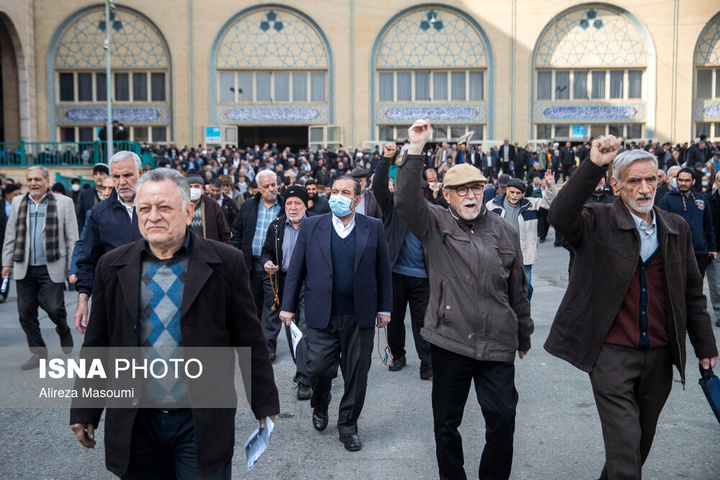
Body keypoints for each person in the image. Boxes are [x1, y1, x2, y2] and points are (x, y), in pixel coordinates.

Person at [69, 168, 279, 479]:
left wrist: (264, 404)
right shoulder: (112, 267)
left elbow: (250, 340)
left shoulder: (225, 263)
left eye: (164, 207)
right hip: (137, 418)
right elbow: (98, 343)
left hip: (200, 418)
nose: (153, 216)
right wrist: (85, 408)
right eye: (145, 208)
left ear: (188, 210)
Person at [544, 137, 718, 480]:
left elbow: (692, 293)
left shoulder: (675, 228)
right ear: (616, 184)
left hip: (659, 354)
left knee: (638, 444)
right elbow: (560, 214)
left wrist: (705, 345)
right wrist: (593, 163)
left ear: (660, 181)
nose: (644, 188)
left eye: (651, 179)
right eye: (634, 180)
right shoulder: (596, 220)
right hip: (610, 354)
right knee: (625, 449)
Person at [395, 119, 532, 480]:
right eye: (461, 190)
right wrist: (415, 149)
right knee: (446, 424)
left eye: (476, 188)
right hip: (451, 339)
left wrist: (525, 332)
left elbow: (517, 286)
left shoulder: (504, 230)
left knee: (502, 420)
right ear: (446, 194)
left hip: (498, 341)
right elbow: (406, 201)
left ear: (486, 190)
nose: (470, 196)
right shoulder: (434, 222)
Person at [279, 175, 392, 453]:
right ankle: (321, 402)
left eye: (345, 192)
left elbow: (383, 271)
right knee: (317, 368)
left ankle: (348, 425)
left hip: (359, 314)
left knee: (357, 373)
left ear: (356, 199)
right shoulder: (312, 225)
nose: (337, 196)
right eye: (334, 191)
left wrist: (385, 308)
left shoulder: (373, 227)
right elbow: (296, 270)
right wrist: (288, 306)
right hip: (321, 313)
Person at [2, 166, 79, 369]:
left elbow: (72, 238)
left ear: (47, 181)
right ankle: (38, 353)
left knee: (54, 308)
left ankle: (63, 329)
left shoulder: (64, 202)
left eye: (37, 179)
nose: (33, 183)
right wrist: (6, 263)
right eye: (30, 179)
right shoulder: (18, 202)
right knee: (26, 314)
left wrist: (73, 268)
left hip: (51, 266)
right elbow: (11, 234)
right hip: (23, 266)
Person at [375, 142, 433, 379]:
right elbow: (378, 185)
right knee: (395, 319)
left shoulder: (432, 211)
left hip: (422, 277)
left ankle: (427, 363)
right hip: (395, 273)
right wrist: (386, 158)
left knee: (423, 322)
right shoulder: (392, 206)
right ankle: (397, 356)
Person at [73, 151, 144, 334]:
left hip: (153, 295)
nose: (121, 182)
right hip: (113, 298)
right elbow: (88, 260)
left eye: (127, 175)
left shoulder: (155, 208)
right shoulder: (99, 213)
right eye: (116, 176)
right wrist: (82, 302)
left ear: (141, 174)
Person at [261, 185, 312, 399]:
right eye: (289, 203)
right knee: (291, 330)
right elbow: (266, 251)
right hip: (284, 282)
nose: (292, 207)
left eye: (297, 203)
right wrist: (267, 262)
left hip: (310, 283)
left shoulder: (317, 224)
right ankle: (302, 368)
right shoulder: (276, 226)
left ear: (305, 205)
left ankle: (304, 379)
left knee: (305, 329)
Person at [231, 170, 284, 358]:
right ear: (259, 189)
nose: (272, 189)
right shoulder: (248, 206)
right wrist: (236, 257)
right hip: (250, 265)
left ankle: (267, 348)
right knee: (252, 306)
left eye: (274, 185)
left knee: (271, 307)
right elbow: (237, 232)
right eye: (267, 186)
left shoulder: (284, 206)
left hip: (273, 266)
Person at [487, 172, 556, 300]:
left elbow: (550, 202)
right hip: (500, 253)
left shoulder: (530, 205)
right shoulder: (492, 205)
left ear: (522, 194)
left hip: (524, 253)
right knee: (501, 285)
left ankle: (524, 309)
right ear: (506, 190)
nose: (514, 196)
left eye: (518, 193)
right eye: (512, 192)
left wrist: (550, 185)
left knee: (527, 283)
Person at [658, 167, 717, 278]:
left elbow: (708, 226)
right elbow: (661, 226)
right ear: (676, 181)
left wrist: (712, 248)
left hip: (699, 251)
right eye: (680, 180)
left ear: (693, 181)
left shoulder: (701, 199)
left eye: (687, 180)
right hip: (677, 252)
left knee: (697, 288)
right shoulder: (667, 200)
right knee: (679, 287)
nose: (683, 183)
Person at [186, 173, 231, 243]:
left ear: (202, 187)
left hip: (208, 249)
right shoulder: (179, 204)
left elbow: (224, 232)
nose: (193, 189)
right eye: (190, 186)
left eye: (196, 186)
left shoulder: (212, 204)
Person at [75, 163, 109, 230]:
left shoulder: (114, 193)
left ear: (107, 175)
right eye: (95, 174)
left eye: (101, 173)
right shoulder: (85, 194)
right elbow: (80, 217)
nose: (98, 176)